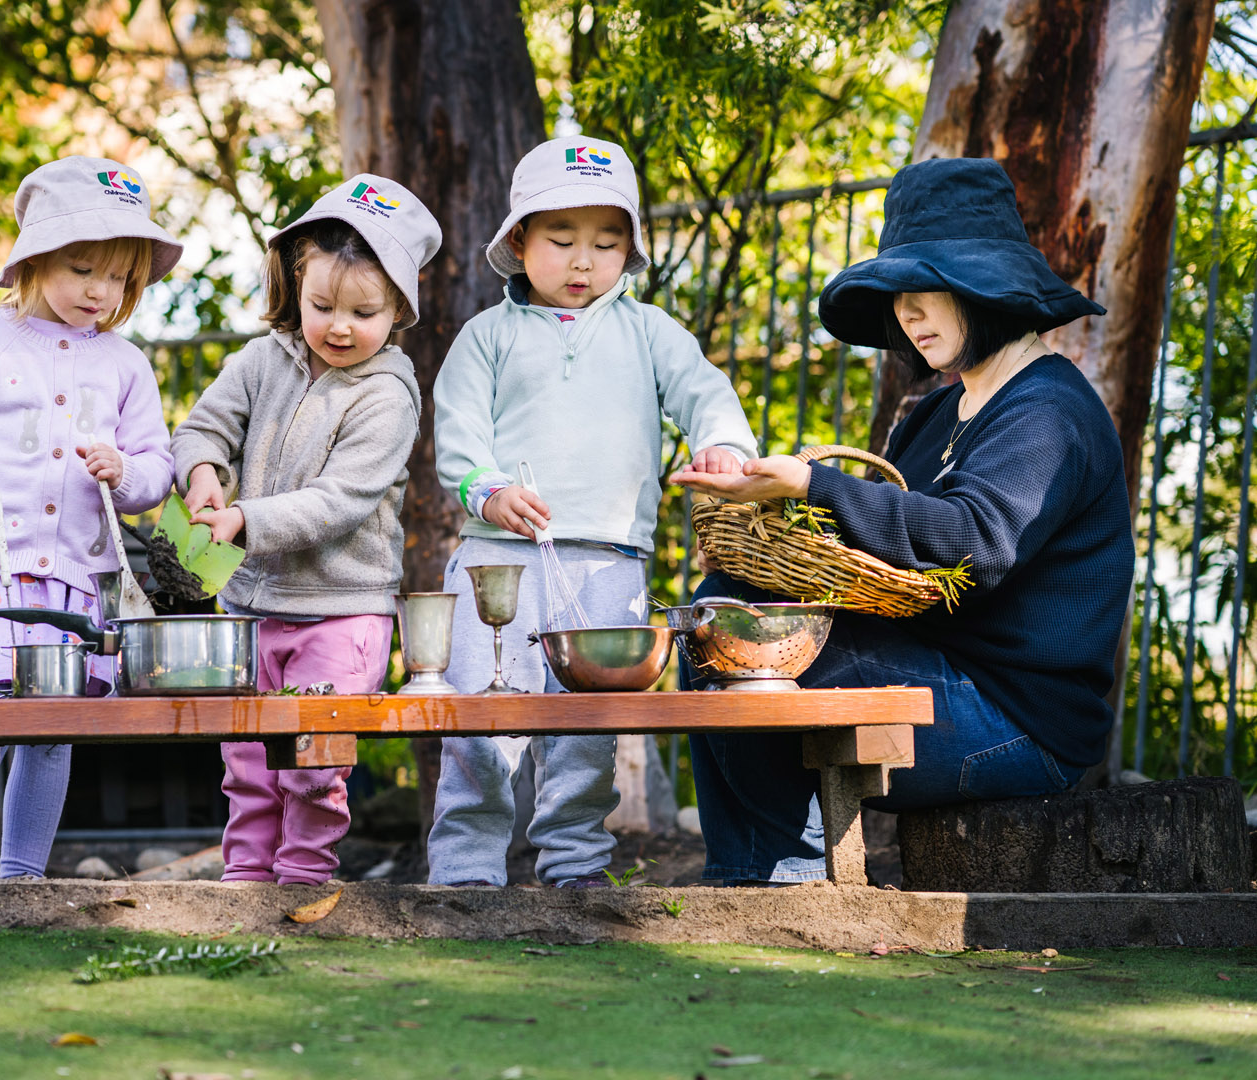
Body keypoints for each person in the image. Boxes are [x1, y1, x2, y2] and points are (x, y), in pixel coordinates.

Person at [669, 156, 1132, 884]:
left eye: (927, 293)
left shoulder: (1049, 409)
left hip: (1015, 719)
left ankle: (780, 878)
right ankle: (754, 875)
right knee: (721, 613)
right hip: (933, 671)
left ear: (986, 289)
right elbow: (880, 553)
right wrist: (769, 520)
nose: (907, 315)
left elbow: (972, 544)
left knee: (735, 632)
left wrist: (814, 482)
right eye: (899, 297)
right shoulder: (940, 411)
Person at [427, 135, 759, 888]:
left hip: (610, 563)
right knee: (479, 724)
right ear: (520, 240)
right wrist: (489, 491)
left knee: (588, 731)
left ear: (629, 250)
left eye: (607, 244)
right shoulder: (486, 336)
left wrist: (720, 445)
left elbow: (706, 393)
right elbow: (459, 434)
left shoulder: (650, 331)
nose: (584, 262)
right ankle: (464, 874)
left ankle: (575, 869)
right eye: (562, 240)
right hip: (498, 561)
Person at [0, 156, 181, 880]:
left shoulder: (126, 365)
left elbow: (157, 468)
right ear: (36, 258)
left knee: (53, 734)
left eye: (118, 278)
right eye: (83, 269)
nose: (100, 291)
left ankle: (24, 878)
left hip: (74, 587)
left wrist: (126, 472)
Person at [171, 176, 442, 885]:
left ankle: (302, 878)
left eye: (364, 312)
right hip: (250, 610)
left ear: (400, 308)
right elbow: (203, 427)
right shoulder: (263, 359)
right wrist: (203, 473)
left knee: (312, 763)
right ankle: (246, 879)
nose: (339, 327)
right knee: (246, 761)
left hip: (341, 613)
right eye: (323, 306)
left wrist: (242, 520)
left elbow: (338, 501)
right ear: (297, 285)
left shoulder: (388, 395)